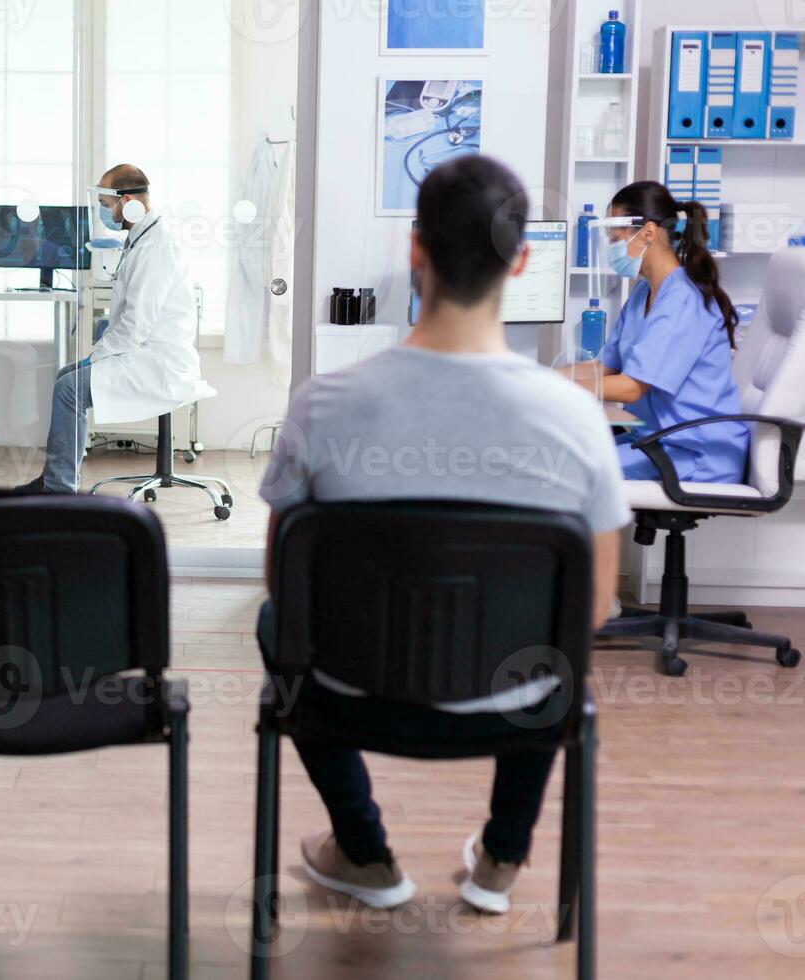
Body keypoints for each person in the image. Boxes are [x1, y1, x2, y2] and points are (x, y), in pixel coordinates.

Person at [257, 155, 630, 914]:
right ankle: (503, 855)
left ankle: (362, 850)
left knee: (276, 625)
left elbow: (283, 582)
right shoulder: (576, 419)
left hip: (350, 695)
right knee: (560, 644)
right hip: (516, 699)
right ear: (521, 261)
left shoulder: (322, 404)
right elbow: (591, 610)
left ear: (414, 250)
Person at [16, 165, 212, 494]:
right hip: (142, 353)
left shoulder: (155, 248)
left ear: (130, 201)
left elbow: (135, 325)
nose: (105, 213)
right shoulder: (141, 238)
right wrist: (98, 357)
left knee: (70, 389)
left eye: (108, 205)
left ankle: (59, 491)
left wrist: (97, 358)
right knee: (67, 375)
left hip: (159, 363)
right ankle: (54, 479)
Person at [570, 180, 748, 482]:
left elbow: (631, 388)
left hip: (696, 455)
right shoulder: (643, 294)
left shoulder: (683, 301)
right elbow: (603, 367)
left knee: (564, 470)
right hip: (658, 442)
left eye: (615, 238)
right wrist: (535, 377)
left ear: (648, 233)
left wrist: (553, 388)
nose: (612, 247)